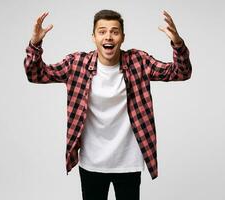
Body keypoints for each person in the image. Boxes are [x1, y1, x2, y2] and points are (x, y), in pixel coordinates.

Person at [24, 9, 192, 200]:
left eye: (114, 31)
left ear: (122, 37)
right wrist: (35, 45)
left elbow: (181, 72)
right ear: (93, 37)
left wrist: (178, 44)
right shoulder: (76, 63)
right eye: (102, 31)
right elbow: (36, 74)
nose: (108, 36)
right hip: (92, 162)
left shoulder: (138, 61)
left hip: (128, 162)